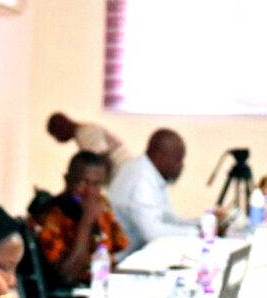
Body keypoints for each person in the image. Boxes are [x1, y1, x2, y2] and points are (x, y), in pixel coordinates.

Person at [107, 128, 223, 256]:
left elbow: (167, 219)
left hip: (139, 252)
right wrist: (200, 233)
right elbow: (153, 233)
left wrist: (203, 224)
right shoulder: (139, 179)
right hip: (122, 260)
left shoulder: (151, 174)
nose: (181, 166)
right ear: (159, 155)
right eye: (178, 159)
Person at [38, 151, 129, 286]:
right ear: (67, 180)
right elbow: (66, 277)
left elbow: (114, 256)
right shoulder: (49, 216)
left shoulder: (102, 205)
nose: (89, 192)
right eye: (83, 182)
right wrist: (86, 223)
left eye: (96, 185)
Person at [47, 112, 132, 178]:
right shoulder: (85, 130)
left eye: (56, 136)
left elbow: (102, 160)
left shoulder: (85, 134)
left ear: (62, 128)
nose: (58, 141)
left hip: (123, 173)